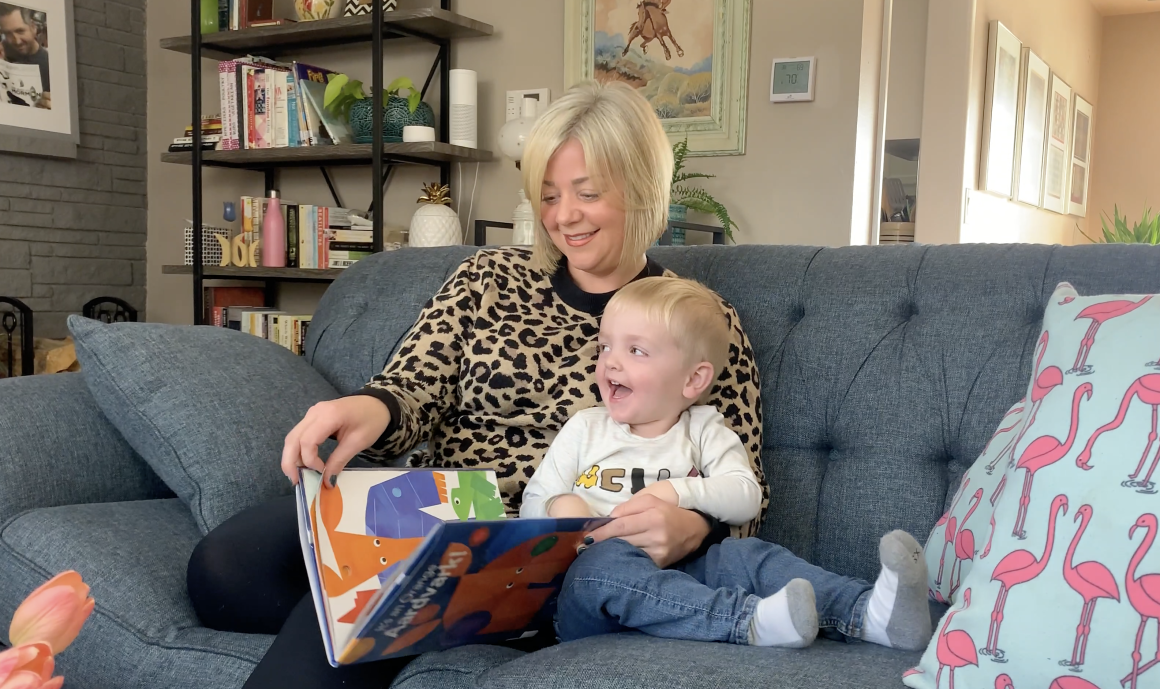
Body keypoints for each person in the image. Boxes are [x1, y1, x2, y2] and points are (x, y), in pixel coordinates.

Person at [186, 80, 767, 689]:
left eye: (587, 194)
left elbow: (744, 485)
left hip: (559, 551)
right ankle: (430, 618)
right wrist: (367, 407)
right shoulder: (487, 277)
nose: (562, 217)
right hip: (439, 508)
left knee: (360, 602)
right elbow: (411, 384)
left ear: (643, 190)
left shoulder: (699, 321)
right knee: (223, 572)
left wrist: (696, 527)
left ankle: (439, 615)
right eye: (547, 195)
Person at [522, 277, 933, 651]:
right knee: (603, 568)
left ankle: (870, 614)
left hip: (685, 567)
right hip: (589, 593)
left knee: (749, 556)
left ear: (693, 381)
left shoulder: (703, 428)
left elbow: (744, 495)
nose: (610, 362)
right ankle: (746, 621)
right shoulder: (585, 428)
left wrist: (678, 491)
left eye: (636, 350)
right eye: (605, 345)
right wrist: (559, 507)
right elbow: (533, 498)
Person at [0, 3, 50, 109]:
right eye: (8, 33)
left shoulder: (50, 64)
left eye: (20, 31)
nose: (16, 41)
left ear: (33, 27)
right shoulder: (2, 50)